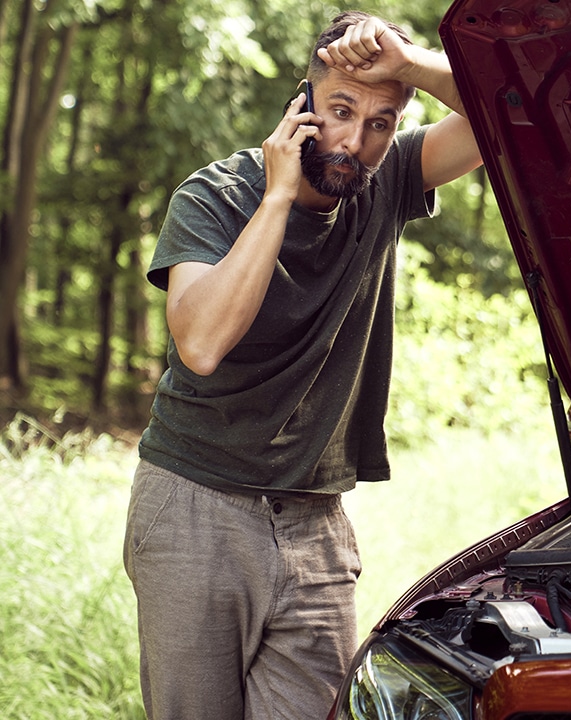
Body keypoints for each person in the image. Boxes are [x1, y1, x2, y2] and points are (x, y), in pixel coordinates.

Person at [122, 11, 482, 719]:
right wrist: (279, 195)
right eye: (341, 110)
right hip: (194, 506)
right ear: (301, 105)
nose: (356, 140)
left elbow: (510, 120)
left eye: (381, 123)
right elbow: (200, 344)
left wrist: (405, 62)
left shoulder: (392, 180)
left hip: (317, 524)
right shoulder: (213, 198)